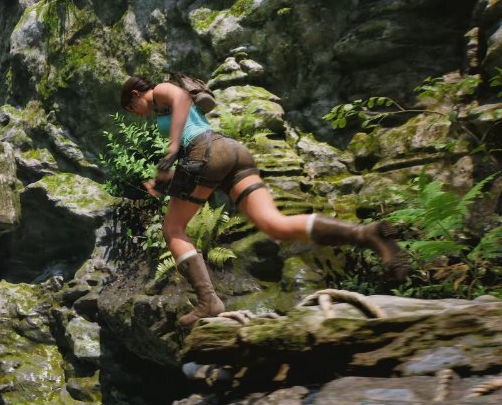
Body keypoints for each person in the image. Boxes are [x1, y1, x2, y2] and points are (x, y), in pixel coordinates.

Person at [119, 75, 409, 328]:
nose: (137, 115)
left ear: (135, 94)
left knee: (172, 229)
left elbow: (182, 100)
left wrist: (172, 148)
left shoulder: (161, 90)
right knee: (274, 225)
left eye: (132, 109)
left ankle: (209, 301)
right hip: (229, 152)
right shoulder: (162, 107)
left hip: (204, 150)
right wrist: (163, 179)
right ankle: (367, 234)